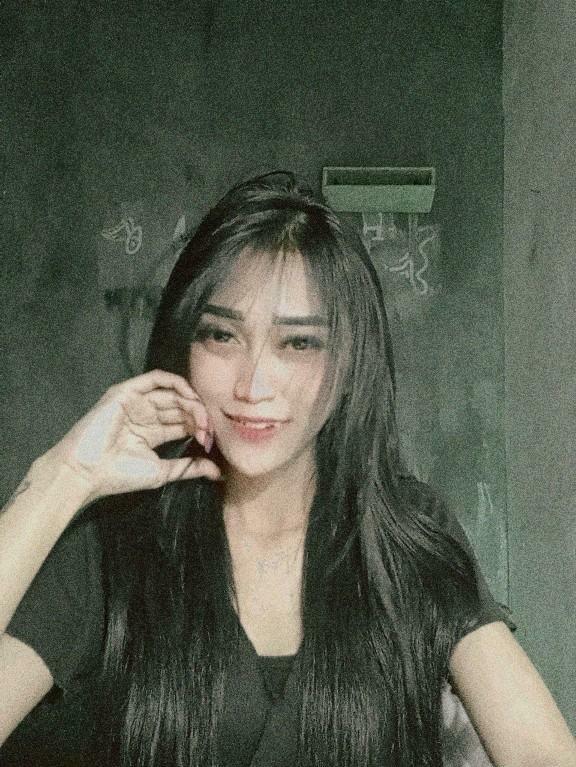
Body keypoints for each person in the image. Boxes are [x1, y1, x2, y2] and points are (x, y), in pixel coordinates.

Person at [0, 171, 574, 767]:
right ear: (184, 345)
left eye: (298, 343)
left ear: (349, 364)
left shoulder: (403, 531)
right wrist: (65, 475)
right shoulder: (115, 539)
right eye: (221, 336)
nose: (253, 386)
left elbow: (543, 754)